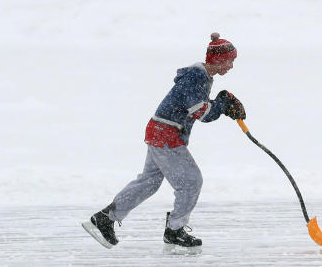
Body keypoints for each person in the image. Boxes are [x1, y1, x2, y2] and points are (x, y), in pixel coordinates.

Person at [82, 32, 246, 253]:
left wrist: (221, 104)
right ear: (217, 60)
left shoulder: (201, 76)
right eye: (230, 61)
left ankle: (104, 219)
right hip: (167, 133)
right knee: (191, 182)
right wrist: (222, 104)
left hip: (160, 130)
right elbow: (201, 112)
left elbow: (199, 108)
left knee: (149, 182)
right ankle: (174, 230)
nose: (232, 66)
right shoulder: (196, 77)